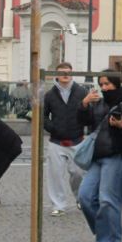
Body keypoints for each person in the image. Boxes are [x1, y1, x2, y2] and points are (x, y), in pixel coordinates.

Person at [78, 72, 122, 242]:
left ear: (116, 84)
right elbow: (83, 122)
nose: (104, 87)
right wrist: (84, 105)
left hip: (116, 156)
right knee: (85, 197)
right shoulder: (98, 103)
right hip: (96, 157)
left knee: (108, 199)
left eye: (107, 84)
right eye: (101, 84)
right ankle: (104, 233)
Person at [42, 62, 86, 216]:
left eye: (68, 72)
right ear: (57, 75)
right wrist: (52, 127)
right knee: (55, 175)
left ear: (72, 74)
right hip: (56, 141)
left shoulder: (81, 92)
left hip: (77, 139)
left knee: (79, 173)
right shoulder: (49, 95)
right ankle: (58, 205)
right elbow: (43, 116)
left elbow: (88, 112)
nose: (65, 75)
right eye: (62, 72)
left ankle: (81, 198)